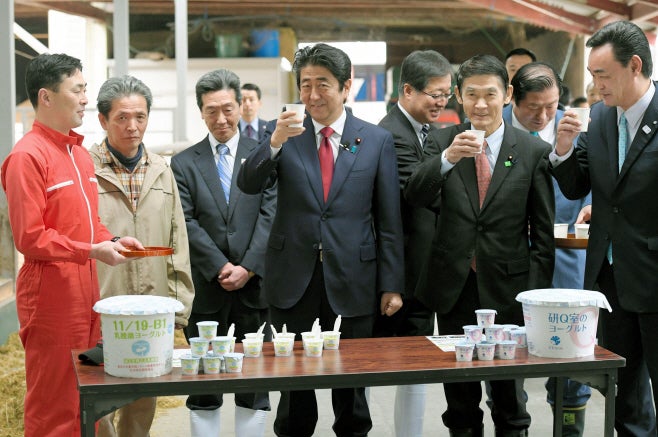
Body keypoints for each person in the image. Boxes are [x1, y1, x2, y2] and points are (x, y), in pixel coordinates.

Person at [237, 43, 404, 437]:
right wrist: (274, 142)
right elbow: (248, 183)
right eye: (305, 85)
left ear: (347, 87)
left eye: (323, 85)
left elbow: (389, 220)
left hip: (354, 280)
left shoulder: (375, 140)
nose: (312, 95)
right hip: (293, 279)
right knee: (294, 395)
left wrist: (392, 284)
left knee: (352, 396)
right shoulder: (284, 134)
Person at [405, 54, 555, 437]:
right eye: (472, 94)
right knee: (460, 399)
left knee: (509, 400)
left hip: (510, 288)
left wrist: (533, 295)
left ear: (506, 94)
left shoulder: (532, 151)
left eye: (491, 94)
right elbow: (415, 196)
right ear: (458, 96)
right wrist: (447, 158)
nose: (482, 104)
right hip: (455, 286)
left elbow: (542, 233)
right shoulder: (440, 141)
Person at [0, 53, 143, 437]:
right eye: (77, 90)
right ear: (46, 97)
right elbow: (31, 237)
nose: (85, 98)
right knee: (55, 402)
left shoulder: (79, 155)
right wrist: (91, 251)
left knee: (88, 397)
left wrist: (111, 240)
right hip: (49, 294)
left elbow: (88, 223)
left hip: (86, 290)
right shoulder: (26, 157)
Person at [551, 20, 658, 436]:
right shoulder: (598, 117)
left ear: (635, 65)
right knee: (624, 390)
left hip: (654, 271)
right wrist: (561, 151)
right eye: (592, 76)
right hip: (612, 276)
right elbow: (583, 182)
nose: (596, 86)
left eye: (603, 75)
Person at [171, 68, 276, 437]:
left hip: (254, 288)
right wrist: (220, 266)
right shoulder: (183, 163)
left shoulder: (263, 155)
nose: (221, 119)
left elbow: (271, 213)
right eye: (211, 110)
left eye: (228, 108)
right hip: (208, 290)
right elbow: (185, 222)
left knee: (254, 383)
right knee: (204, 384)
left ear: (241, 104)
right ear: (200, 111)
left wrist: (248, 266)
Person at [90, 75, 195, 437]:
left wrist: (179, 306)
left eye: (140, 116)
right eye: (121, 117)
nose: (132, 126)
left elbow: (177, 239)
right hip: (100, 305)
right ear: (103, 120)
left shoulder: (162, 170)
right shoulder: (86, 171)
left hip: (151, 307)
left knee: (142, 398)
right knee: (97, 403)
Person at [504, 61, 592, 436]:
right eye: (533, 108)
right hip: (511, 266)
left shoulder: (576, 129)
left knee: (571, 359)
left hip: (568, 264)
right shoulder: (493, 130)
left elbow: (595, 182)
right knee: (508, 366)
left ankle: (568, 426)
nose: (543, 116)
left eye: (551, 106)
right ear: (513, 100)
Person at [376, 49, 452, 437]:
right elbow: (417, 192)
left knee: (417, 363)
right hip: (400, 272)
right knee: (390, 363)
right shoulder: (391, 134)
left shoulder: (429, 133)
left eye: (446, 94)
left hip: (423, 270)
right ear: (407, 90)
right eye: (434, 94)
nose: (441, 102)